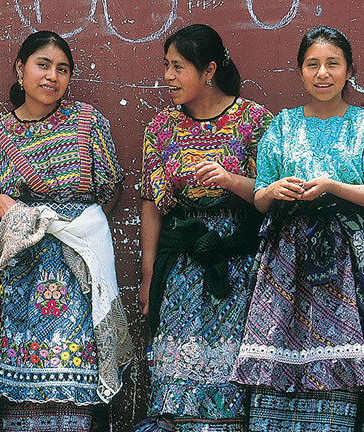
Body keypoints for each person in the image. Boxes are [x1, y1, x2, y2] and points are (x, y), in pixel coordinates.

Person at [230, 26, 364, 431]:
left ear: (349, 70)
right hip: (285, 257)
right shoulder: (283, 126)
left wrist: (334, 187)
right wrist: (275, 189)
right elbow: (258, 198)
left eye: (333, 64)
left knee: (341, 351)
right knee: (278, 346)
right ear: (300, 71)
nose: (323, 73)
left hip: (344, 257)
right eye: (312, 64)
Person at [0, 30, 132, 432]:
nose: (52, 77)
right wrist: (0, 203)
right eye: (43, 65)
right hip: (21, 267)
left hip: (78, 265)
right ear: (20, 68)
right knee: (19, 360)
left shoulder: (88, 122)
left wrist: (76, 229)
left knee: (74, 361)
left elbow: (109, 188)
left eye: (62, 70)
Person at [137, 24, 273, 431]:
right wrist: (148, 276)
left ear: (209, 69)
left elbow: (271, 195)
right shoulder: (161, 127)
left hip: (235, 262)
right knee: (177, 374)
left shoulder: (253, 121)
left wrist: (232, 181)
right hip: (179, 267)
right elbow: (150, 200)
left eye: (178, 67)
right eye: (166, 66)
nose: (168, 77)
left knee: (230, 372)